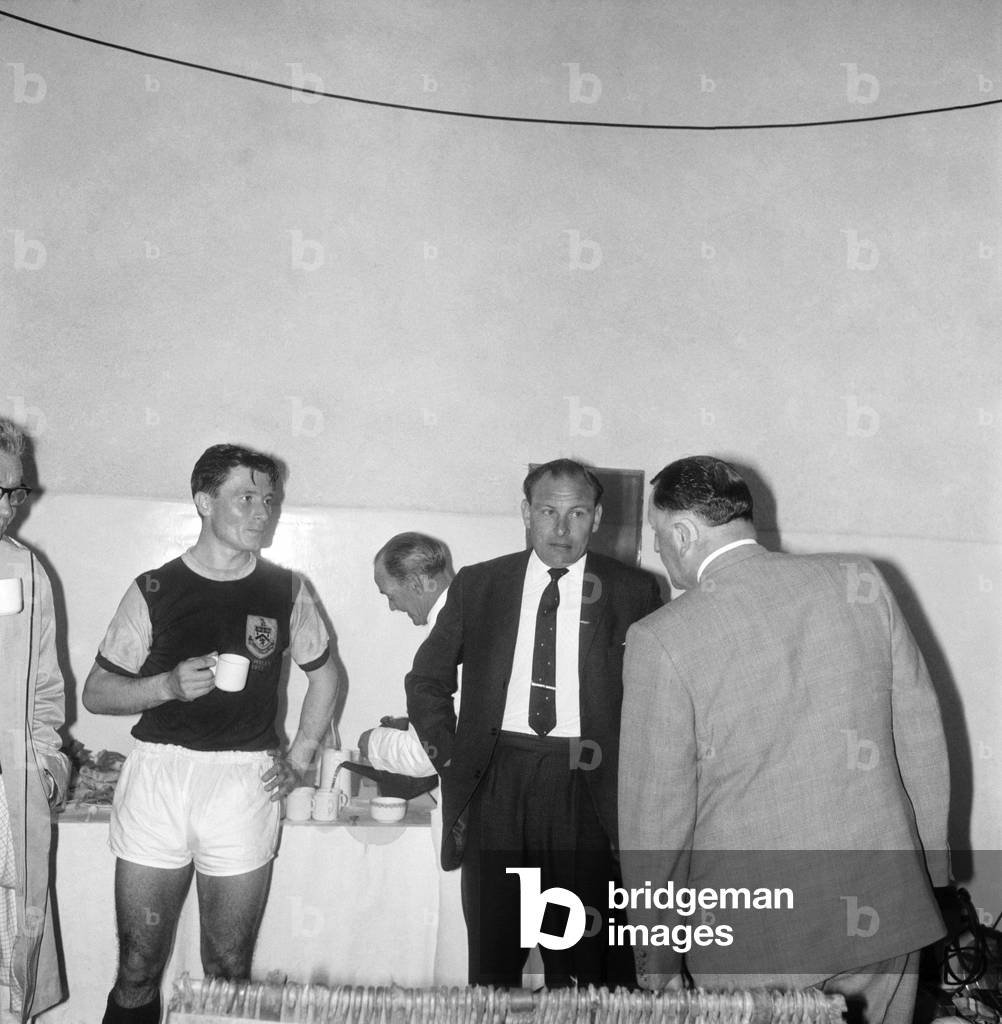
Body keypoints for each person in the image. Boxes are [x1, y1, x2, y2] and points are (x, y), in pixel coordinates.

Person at [619, 455, 950, 1024]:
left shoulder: (661, 639)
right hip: (884, 908)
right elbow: (921, 736)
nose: (658, 551)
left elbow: (655, 823)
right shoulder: (860, 580)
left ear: (682, 532)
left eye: (657, 536)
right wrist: (931, 873)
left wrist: (658, 961)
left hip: (757, 938)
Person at [82, 444, 341, 1024]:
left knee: (227, 967)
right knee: (140, 965)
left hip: (242, 782)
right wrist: (166, 686)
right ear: (203, 501)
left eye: (268, 499)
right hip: (159, 777)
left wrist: (300, 756)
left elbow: (326, 677)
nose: (261, 512)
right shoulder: (154, 588)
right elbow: (96, 692)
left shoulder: (286, 590)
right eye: (245, 497)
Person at [406, 459, 661, 988]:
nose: (561, 529)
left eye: (576, 513)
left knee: (586, 969)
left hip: (586, 789)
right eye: (548, 511)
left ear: (597, 518)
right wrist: (453, 757)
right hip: (497, 785)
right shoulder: (482, 584)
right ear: (526, 512)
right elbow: (426, 679)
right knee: (495, 965)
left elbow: (653, 700)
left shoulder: (635, 591)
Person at [359, 531, 466, 985]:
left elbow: (427, 755)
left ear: (421, 583)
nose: (391, 606)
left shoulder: (448, 640)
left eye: (391, 593)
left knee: (465, 958)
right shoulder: (483, 619)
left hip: (473, 818)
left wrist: (372, 742)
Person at [0, 419, 70, 1022]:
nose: (10, 508)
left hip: (5, 799)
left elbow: (46, 687)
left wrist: (47, 762)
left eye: (16, 491)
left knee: (8, 976)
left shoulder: (23, 572)